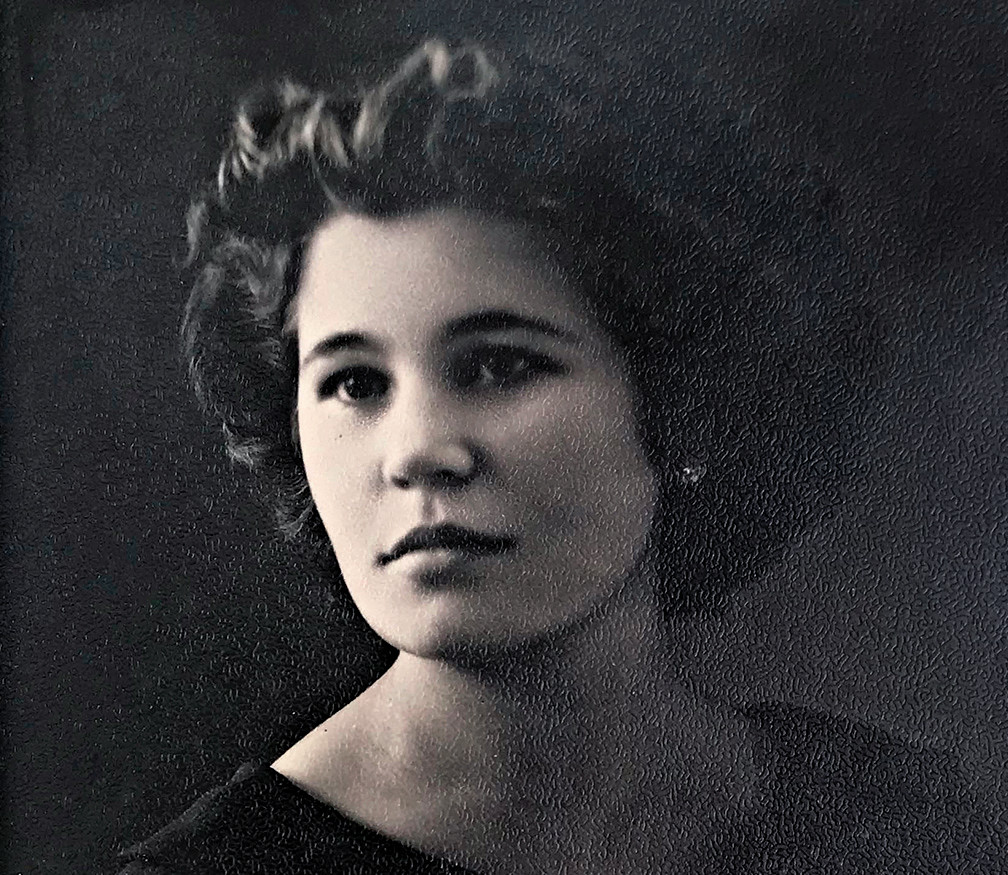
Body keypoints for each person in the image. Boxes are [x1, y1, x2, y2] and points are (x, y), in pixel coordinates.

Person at [115, 39, 993, 874]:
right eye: (353, 382)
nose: (417, 451)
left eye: (498, 365)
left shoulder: (895, 819)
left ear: (682, 402)